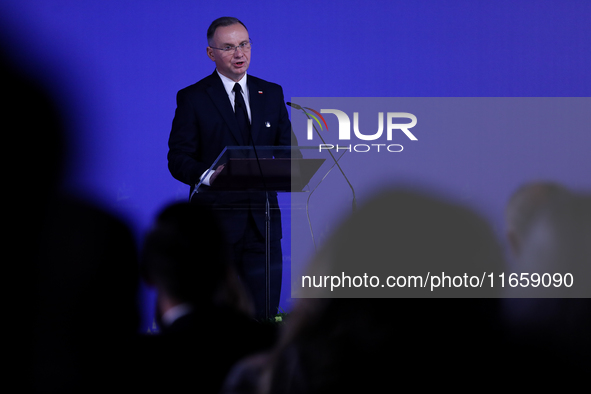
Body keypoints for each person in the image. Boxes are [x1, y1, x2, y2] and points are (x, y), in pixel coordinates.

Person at [167, 16, 299, 320]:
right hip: (215, 227)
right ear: (211, 53)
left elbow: (287, 152)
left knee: (262, 316)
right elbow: (179, 157)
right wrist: (210, 176)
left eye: (244, 45)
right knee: (212, 317)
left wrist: (292, 168)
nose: (239, 54)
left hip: (262, 226)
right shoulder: (193, 98)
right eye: (228, 47)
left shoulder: (272, 94)